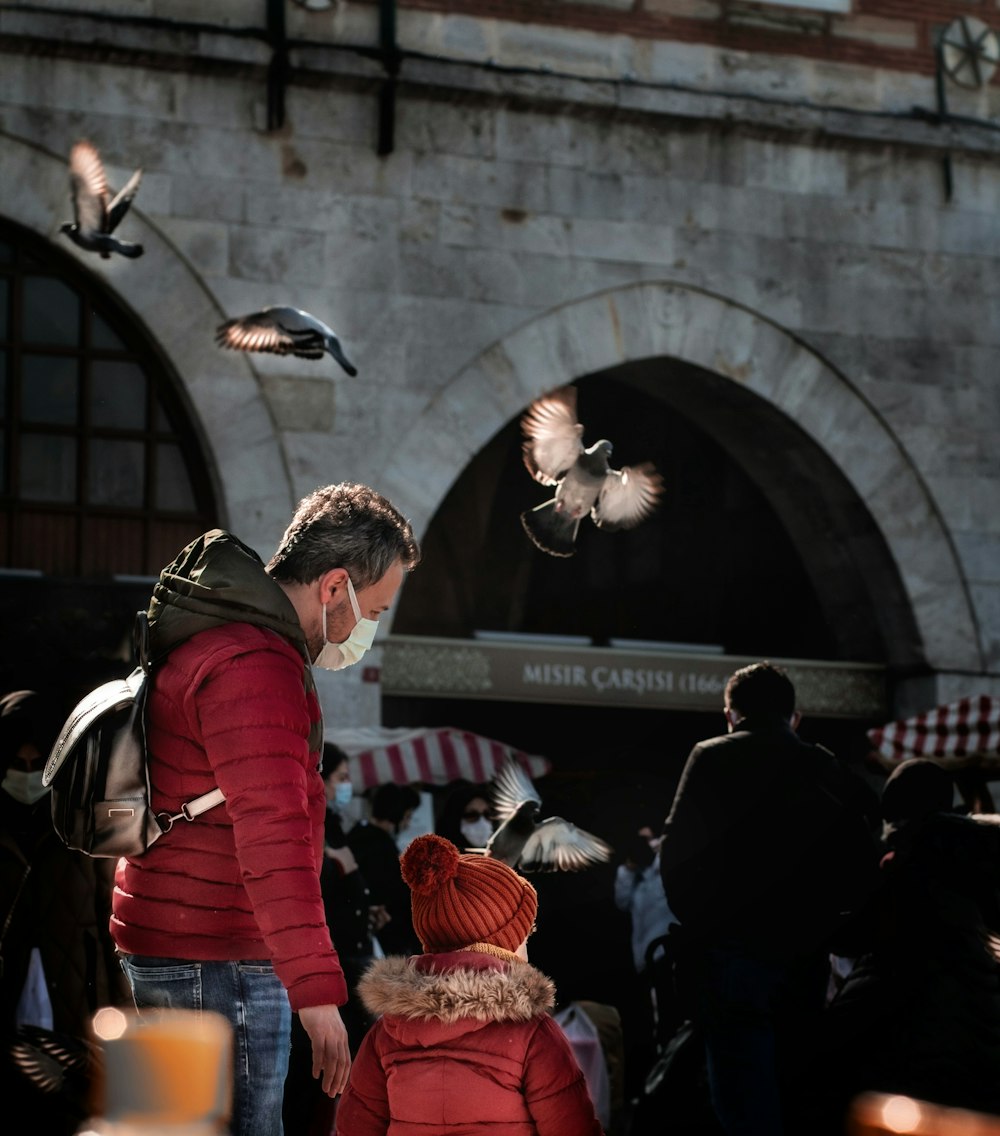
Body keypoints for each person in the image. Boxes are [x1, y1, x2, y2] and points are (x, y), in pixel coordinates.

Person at [110, 482, 421, 1136]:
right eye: (377, 609)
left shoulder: (216, 638)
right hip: (217, 955)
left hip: (185, 940)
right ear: (335, 587)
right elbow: (273, 836)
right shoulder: (257, 664)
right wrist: (317, 995)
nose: (371, 629)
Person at [659, 660, 879, 1136]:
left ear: (730, 714)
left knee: (743, 1097)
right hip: (805, 954)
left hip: (731, 954)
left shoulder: (711, 756)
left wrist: (704, 922)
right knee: (793, 1083)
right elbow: (863, 848)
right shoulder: (824, 765)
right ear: (793, 715)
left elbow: (676, 857)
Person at [334, 832, 605, 1135]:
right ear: (501, 946)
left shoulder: (388, 1031)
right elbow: (572, 1127)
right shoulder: (531, 1031)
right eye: (525, 935)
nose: (527, 946)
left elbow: (354, 1126)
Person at [817, 757, 1000, 1131]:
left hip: (907, 1027)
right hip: (980, 1032)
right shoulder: (980, 851)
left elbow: (851, 937)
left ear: (896, 810)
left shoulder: (909, 862)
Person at [0, 688, 126, 1131]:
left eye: (39, 765)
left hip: (77, 999)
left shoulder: (82, 825)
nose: (29, 776)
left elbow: (113, 926)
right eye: (19, 766)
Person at [283, 743, 383, 1136]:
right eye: (342, 778)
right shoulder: (303, 831)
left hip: (342, 978)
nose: (348, 787)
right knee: (310, 1092)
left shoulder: (333, 829)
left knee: (330, 1098)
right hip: (317, 985)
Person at [347, 781, 423, 957]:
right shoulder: (381, 847)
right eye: (408, 816)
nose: (408, 823)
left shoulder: (356, 835)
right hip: (382, 939)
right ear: (398, 815)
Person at [435, 779, 495, 852]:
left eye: (487, 814)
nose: (482, 823)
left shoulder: (499, 860)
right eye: (472, 815)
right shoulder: (437, 859)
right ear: (455, 820)